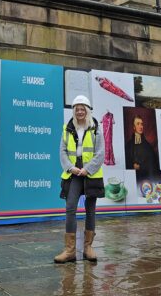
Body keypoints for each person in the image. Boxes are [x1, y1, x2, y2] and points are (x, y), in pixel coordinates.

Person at [55, 95, 105, 264]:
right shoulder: (67, 127)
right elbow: (62, 152)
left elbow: (100, 153)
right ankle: (69, 251)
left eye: (83, 108)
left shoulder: (96, 127)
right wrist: (70, 167)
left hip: (90, 172)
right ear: (74, 111)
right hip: (74, 171)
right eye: (77, 108)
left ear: (88, 110)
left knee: (90, 209)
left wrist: (88, 169)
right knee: (70, 207)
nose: (80, 111)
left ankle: (88, 248)